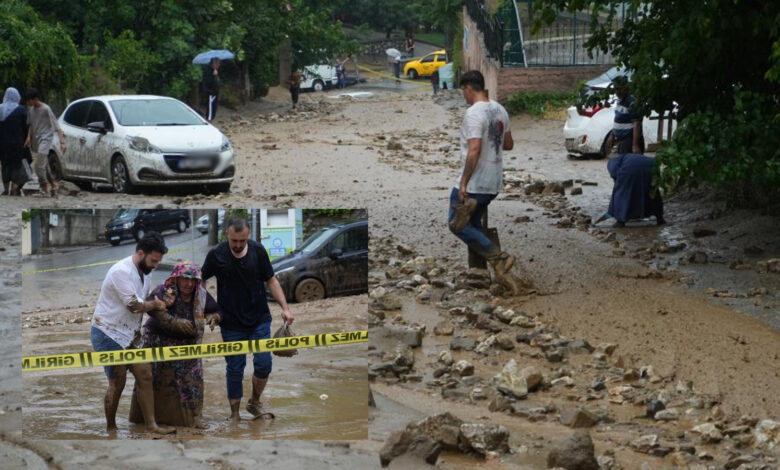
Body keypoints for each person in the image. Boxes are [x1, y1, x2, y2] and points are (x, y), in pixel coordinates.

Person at [201, 217, 294, 422]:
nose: (238, 245)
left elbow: (271, 280)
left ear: (248, 235)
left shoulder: (258, 251)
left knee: (263, 363)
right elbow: (202, 280)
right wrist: (206, 309)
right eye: (234, 241)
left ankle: (254, 401)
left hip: (259, 318)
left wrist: (285, 308)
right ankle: (234, 414)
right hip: (231, 322)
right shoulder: (216, 255)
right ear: (227, 234)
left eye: (242, 241)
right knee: (235, 367)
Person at [90, 232, 176, 434]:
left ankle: (152, 426)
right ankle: (111, 428)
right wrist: (155, 304)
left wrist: (162, 299)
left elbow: (144, 297)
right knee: (117, 383)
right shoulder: (121, 271)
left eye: (158, 261)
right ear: (140, 253)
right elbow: (134, 305)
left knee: (145, 374)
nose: (155, 265)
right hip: (107, 333)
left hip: (130, 334)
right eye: (153, 260)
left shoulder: (146, 271)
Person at [448, 70, 518, 294]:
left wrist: (464, 184)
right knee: (474, 226)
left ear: (469, 88)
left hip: (476, 183)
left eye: (463, 91)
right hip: (494, 182)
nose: (463, 96)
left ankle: (499, 258)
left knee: (456, 224)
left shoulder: (473, 113)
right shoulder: (500, 110)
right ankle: (480, 275)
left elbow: (474, 149)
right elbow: (508, 145)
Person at [129, 261, 222, 429]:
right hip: (158, 344)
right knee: (155, 382)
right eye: (184, 279)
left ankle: (194, 418)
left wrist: (214, 317)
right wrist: (172, 321)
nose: (188, 284)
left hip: (188, 348)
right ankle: (147, 421)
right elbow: (149, 307)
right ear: (176, 279)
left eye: (192, 280)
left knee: (192, 382)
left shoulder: (201, 295)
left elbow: (218, 310)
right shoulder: (164, 291)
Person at [24, 88, 64, 197]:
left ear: (35, 99)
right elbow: (31, 125)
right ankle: (54, 184)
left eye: (30, 100)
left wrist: (62, 141)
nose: (28, 103)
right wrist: (28, 137)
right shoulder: (31, 110)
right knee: (44, 166)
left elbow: (56, 125)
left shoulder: (46, 109)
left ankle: (44, 185)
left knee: (37, 165)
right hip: (36, 140)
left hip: (46, 139)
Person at [606, 153, 665, 227]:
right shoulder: (628, 157)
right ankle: (660, 218)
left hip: (631, 169)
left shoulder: (612, 162)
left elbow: (614, 173)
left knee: (622, 195)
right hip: (652, 165)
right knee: (653, 193)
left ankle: (620, 221)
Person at [606, 76, 644, 155]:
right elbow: (618, 120)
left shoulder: (632, 102)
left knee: (628, 165)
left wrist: (635, 145)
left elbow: (636, 124)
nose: (618, 92)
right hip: (621, 141)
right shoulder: (620, 101)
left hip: (629, 141)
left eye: (620, 89)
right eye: (616, 89)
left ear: (627, 88)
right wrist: (612, 134)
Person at [0, 87, 28, 195]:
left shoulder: (0, 109)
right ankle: (14, 188)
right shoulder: (21, 110)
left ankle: (6, 189)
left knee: (5, 165)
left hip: (3, 143)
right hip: (18, 143)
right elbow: (26, 127)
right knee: (17, 165)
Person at [202, 57, 220, 122]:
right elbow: (208, 83)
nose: (218, 65)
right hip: (210, 94)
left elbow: (217, 83)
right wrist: (214, 76)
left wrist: (216, 76)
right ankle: (208, 123)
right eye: (217, 63)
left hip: (215, 93)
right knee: (210, 111)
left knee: (213, 110)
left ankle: (210, 121)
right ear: (214, 63)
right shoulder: (208, 71)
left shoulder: (215, 71)